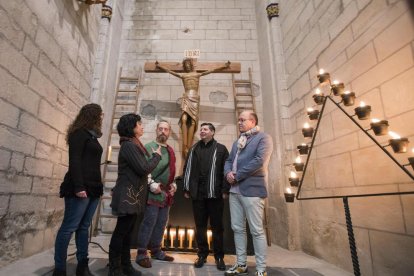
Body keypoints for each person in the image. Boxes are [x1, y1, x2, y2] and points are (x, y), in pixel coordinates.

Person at [53, 103, 104, 276]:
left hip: (94, 188)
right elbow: (74, 161)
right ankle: (60, 269)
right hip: (80, 187)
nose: (101, 118)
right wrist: (79, 186)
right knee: (69, 227)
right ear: (92, 115)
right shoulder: (78, 134)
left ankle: (82, 265)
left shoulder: (93, 136)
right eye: (100, 115)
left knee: (84, 227)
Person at [108, 113, 162, 276]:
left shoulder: (133, 144)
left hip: (133, 195)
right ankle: (115, 268)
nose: (142, 127)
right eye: (139, 124)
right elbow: (144, 168)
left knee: (127, 233)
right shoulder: (129, 146)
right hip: (127, 195)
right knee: (121, 233)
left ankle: (125, 266)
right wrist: (157, 156)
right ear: (132, 127)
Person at [224, 111, 273, 276]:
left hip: (251, 190)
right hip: (234, 191)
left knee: (257, 230)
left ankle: (261, 269)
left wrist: (237, 175)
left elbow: (259, 160)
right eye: (238, 120)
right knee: (237, 229)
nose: (239, 122)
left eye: (242, 120)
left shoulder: (263, 138)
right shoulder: (237, 141)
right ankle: (241, 264)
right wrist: (227, 173)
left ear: (252, 122)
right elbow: (229, 161)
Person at [155, 59, 230, 158]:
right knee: (184, 119)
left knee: (193, 122)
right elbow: (170, 72)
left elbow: (211, 70)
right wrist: (160, 66)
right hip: (186, 97)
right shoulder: (183, 75)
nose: (187, 66)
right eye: (185, 65)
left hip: (195, 98)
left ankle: (189, 146)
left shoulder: (197, 74)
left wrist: (224, 66)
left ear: (191, 65)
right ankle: (185, 144)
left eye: (188, 64)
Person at [182, 122, 229, 271]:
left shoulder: (221, 149)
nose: (202, 131)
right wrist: (187, 187)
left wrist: (225, 189)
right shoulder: (194, 148)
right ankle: (202, 253)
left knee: (217, 227)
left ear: (212, 132)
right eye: (201, 129)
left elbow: (226, 170)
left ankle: (219, 256)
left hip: (215, 194)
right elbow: (187, 168)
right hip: (198, 194)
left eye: (205, 129)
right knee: (200, 226)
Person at [135, 120, 177, 268]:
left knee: (161, 223)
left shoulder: (171, 150)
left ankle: (156, 250)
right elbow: (143, 169)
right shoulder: (148, 147)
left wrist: (173, 185)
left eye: (166, 129)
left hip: (165, 193)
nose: (163, 132)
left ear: (169, 132)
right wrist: (151, 184)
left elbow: (172, 172)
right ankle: (141, 253)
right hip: (152, 191)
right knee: (149, 222)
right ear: (156, 130)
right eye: (161, 129)